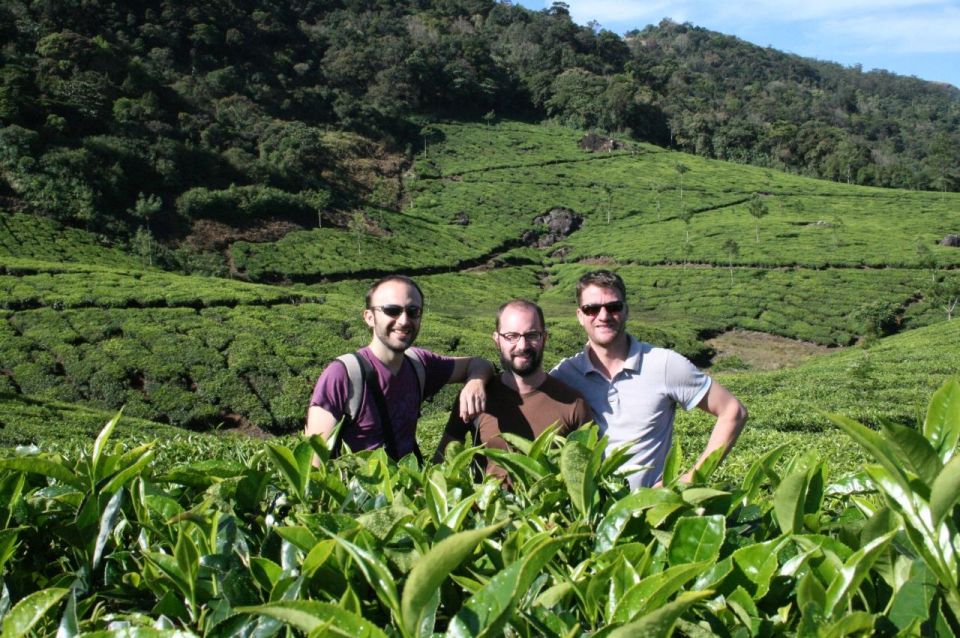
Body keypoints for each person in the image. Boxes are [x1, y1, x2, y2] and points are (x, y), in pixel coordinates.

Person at [550, 270, 747, 488]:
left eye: (613, 307)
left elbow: (733, 412)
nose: (603, 316)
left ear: (626, 311)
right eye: (592, 309)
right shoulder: (565, 375)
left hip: (653, 514)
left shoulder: (664, 364)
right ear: (579, 315)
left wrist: (690, 479)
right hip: (590, 513)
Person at [306, 274, 494, 461]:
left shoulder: (420, 363)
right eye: (392, 310)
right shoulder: (342, 375)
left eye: (413, 311)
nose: (404, 321)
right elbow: (313, 464)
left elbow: (479, 363)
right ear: (369, 317)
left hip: (407, 485)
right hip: (359, 489)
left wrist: (475, 383)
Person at [435, 299, 591, 480]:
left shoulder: (573, 404)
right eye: (511, 336)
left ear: (545, 338)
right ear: (497, 340)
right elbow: (441, 464)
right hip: (486, 506)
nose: (522, 346)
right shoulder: (475, 396)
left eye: (532, 335)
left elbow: (585, 474)